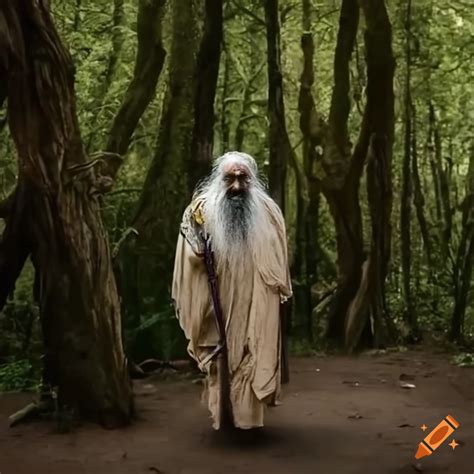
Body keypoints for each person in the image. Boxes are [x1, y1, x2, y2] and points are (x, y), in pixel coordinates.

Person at [171, 151, 292, 430]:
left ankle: (248, 423)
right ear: (218, 179)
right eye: (230, 179)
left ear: (253, 180)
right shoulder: (199, 211)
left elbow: (278, 256)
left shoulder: (269, 213)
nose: (237, 186)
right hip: (217, 302)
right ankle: (223, 419)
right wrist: (201, 250)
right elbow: (189, 256)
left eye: (243, 178)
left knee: (252, 353)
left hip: (257, 300)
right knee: (220, 360)